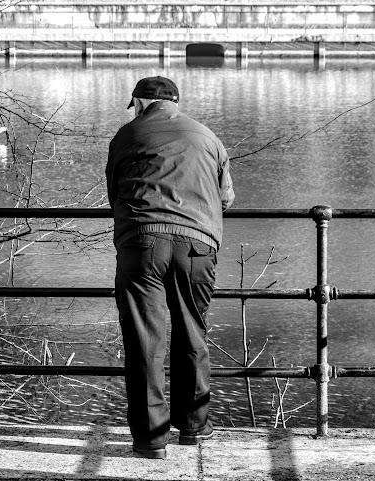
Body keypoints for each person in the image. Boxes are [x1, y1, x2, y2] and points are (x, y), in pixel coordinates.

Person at [106, 76, 234, 459]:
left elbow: (114, 194)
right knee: (192, 330)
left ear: (140, 103)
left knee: (146, 338)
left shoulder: (125, 137)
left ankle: (151, 439)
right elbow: (226, 196)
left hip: (142, 242)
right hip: (196, 244)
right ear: (177, 103)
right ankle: (193, 428)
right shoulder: (208, 137)